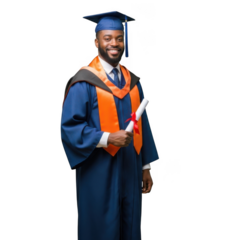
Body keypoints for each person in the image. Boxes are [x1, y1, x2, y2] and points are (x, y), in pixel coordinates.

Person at [60, 10, 159, 240]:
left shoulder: (133, 82)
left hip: (130, 170)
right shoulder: (83, 81)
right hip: (98, 172)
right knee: (100, 229)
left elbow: (141, 124)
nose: (114, 43)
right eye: (107, 38)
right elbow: (69, 127)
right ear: (96, 42)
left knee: (130, 226)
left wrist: (146, 167)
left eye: (119, 38)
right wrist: (106, 138)